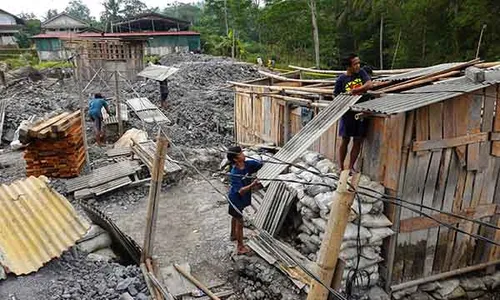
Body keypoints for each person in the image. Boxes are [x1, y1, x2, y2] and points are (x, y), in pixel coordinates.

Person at [334, 53, 373, 173]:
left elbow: (369, 84)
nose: (358, 65)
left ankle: (351, 166)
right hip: (348, 113)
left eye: (358, 63)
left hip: (361, 111)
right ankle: (341, 167)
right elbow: (336, 96)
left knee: (357, 140)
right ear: (349, 66)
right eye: (355, 63)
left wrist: (356, 90)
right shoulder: (341, 79)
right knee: (345, 139)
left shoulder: (361, 73)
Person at [227, 146, 262, 255]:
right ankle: (240, 246)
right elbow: (241, 191)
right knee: (240, 221)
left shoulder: (248, 164)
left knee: (235, 217)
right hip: (235, 198)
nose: (244, 154)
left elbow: (261, 165)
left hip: (242, 199)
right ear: (236, 159)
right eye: (240, 153)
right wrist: (253, 184)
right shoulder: (234, 172)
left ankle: (233, 235)